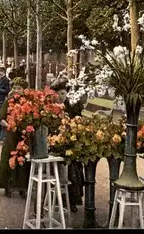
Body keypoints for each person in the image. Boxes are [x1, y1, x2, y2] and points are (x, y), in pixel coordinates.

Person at [50, 76, 85, 213]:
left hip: (71, 143)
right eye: (58, 94)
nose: (61, 96)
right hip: (57, 144)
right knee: (59, 174)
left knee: (73, 174)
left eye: (63, 93)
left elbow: (78, 120)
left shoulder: (73, 105)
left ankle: (72, 202)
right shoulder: (52, 107)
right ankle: (59, 201)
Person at [0, 77, 30, 198]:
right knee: (9, 157)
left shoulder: (29, 102)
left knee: (23, 158)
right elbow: (0, 118)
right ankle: (7, 186)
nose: (16, 90)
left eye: (19, 88)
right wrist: (9, 125)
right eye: (14, 88)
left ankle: (22, 187)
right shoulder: (9, 100)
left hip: (24, 134)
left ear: (25, 89)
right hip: (11, 134)